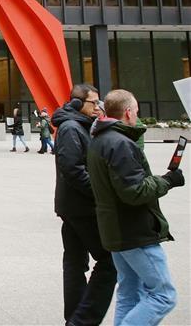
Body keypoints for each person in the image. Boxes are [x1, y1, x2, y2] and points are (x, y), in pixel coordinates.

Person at [87, 89, 184, 326]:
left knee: (130, 293)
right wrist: (167, 181)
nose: (137, 116)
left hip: (117, 231)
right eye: (137, 111)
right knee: (164, 296)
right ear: (128, 112)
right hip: (134, 232)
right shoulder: (119, 143)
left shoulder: (100, 139)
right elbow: (134, 192)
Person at [52, 83, 115, 326]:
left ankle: (75, 318)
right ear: (78, 104)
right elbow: (72, 169)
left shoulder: (82, 125)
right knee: (108, 262)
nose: (98, 106)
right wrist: (100, 192)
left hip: (75, 206)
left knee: (75, 262)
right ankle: (84, 319)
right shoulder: (71, 128)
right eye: (94, 102)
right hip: (81, 207)